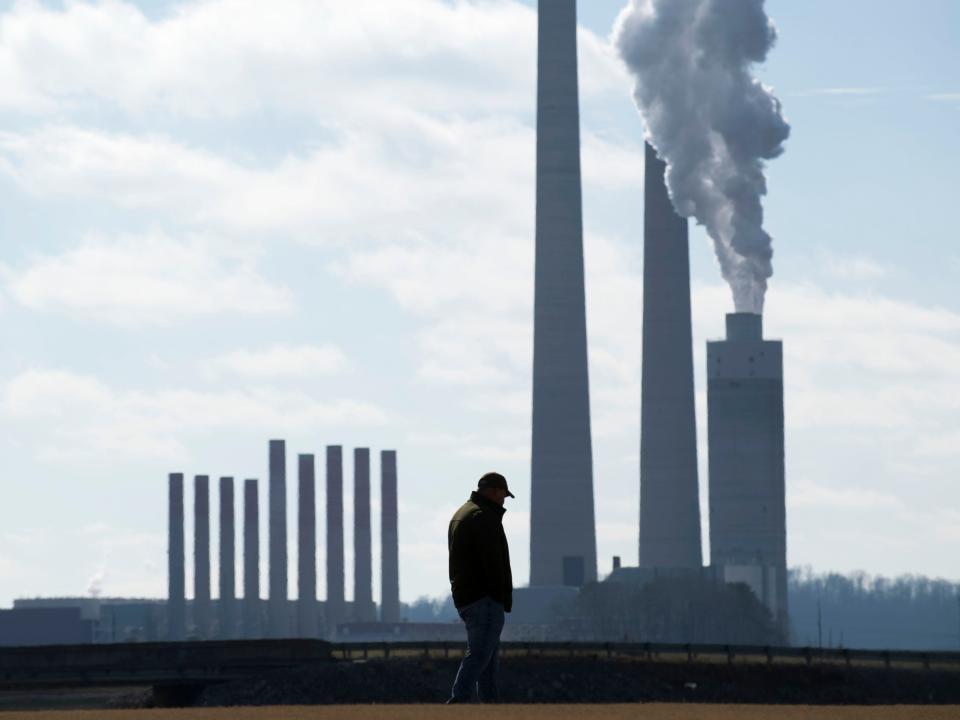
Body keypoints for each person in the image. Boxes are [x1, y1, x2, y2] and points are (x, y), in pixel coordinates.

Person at [446, 471, 514, 704]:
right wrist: (498, 596)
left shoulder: (461, 514)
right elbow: (493, 563)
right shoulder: (483, 517)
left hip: (467, 597)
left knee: (487, 662)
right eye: (503, 497)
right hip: (484, 599)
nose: (503, 502)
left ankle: (491, 709)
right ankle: (458, 702)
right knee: (480, 656)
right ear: (494, 492)